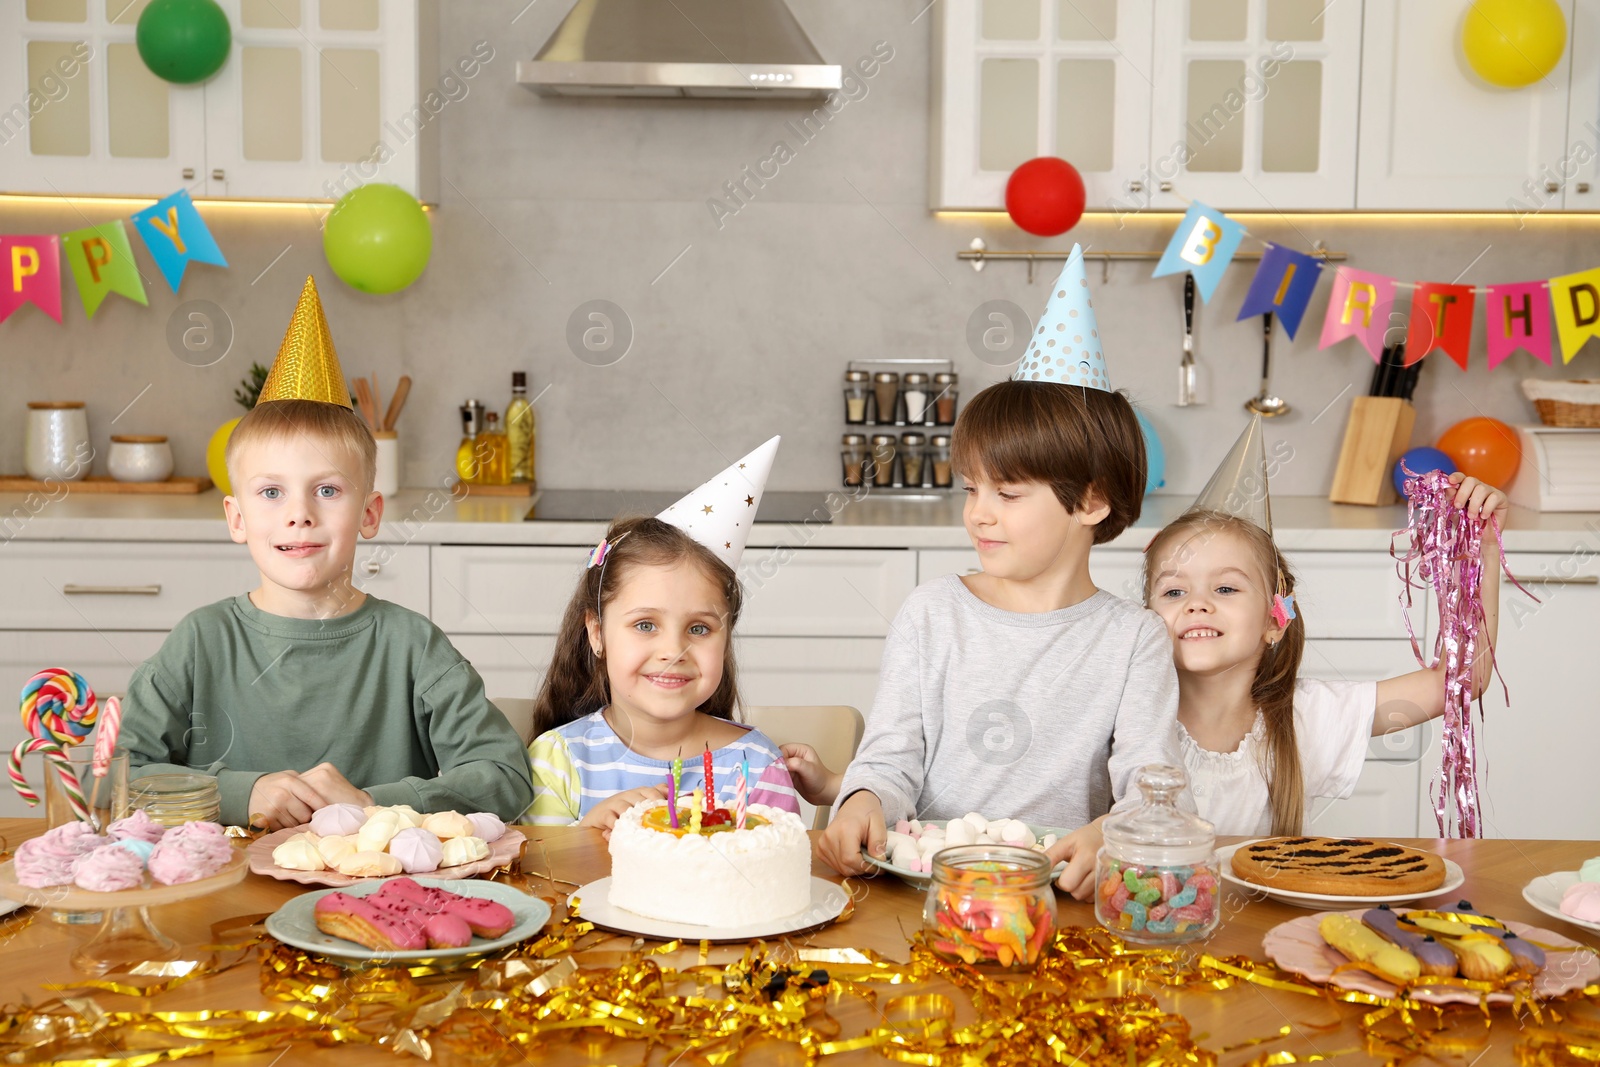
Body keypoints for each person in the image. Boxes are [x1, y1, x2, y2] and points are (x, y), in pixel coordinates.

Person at [817, 246, 1179, 899]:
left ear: (1091, 501)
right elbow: (892, 750)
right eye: (971, 489)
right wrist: (863, 797)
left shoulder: (1134, 639)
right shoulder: (932, 612)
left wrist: (1110, 831)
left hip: (1058, 906)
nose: (978, 515)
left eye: (1007, 494)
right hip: (927, 897)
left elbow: (1152, 787)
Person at [119, 276, 534, 829]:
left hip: (376, 901)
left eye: (328, 490)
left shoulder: (412, 647)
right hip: (219, 894)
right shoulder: (200, 643)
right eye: (271, 492)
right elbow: (115, 777)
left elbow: (505, 777)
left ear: (370, 513)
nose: (300, 514)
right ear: (237, 519)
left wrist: (373, 804)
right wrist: (241, 794)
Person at [1144, 417, 1510, 836]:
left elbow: (1462, 678)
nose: (1197, 605)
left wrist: (1482, 551)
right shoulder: (1128, 714)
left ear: (1274, 620)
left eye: (1226, 588)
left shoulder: (1309, 718)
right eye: (1174, 592)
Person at [524, 439, 801, 830]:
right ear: (597, 633)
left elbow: (779, 875)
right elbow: (534, 883)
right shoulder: (558, 761)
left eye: (699, 628)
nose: (673, 650)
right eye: (645, 625)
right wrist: (585, 836)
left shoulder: (756, 766)